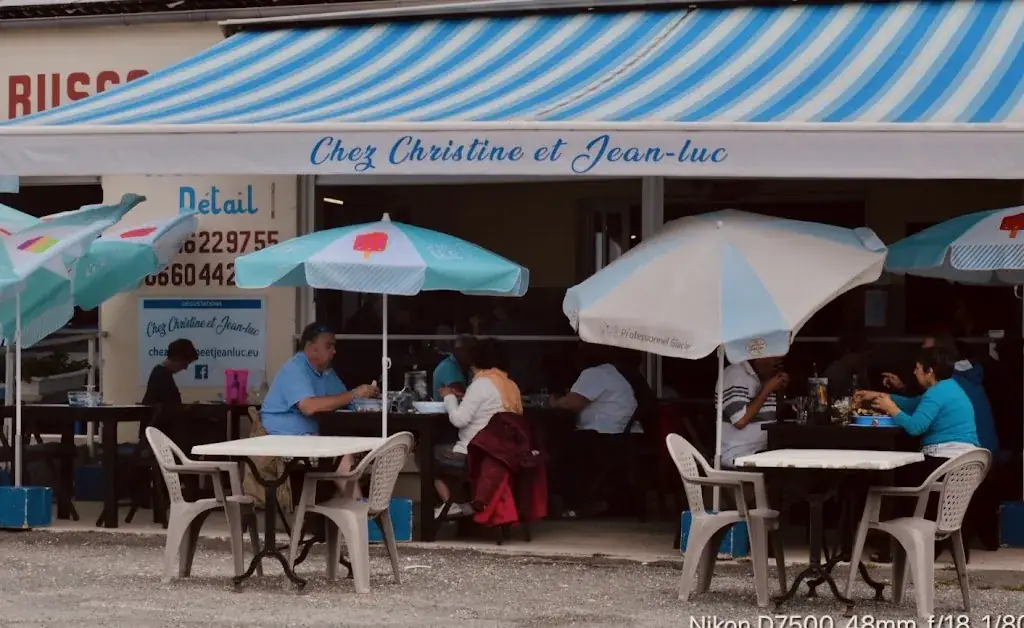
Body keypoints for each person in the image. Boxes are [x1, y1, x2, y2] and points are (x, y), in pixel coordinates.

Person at [262, 323, 379, 495]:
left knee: (369, 449)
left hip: (315, 437)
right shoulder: (295, 368)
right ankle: (358, 513)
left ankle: (345, 511)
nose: (334, 351)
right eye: (328, 346)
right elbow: (308, 407)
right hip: (286, 440)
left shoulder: (326, 372)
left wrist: (369, 397)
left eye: (334, 346)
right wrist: (354, 393)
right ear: (312, 347)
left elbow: (346, 400)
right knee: (342, 454)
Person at [434, 339, 522, 518]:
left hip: (477, 451)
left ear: (474, 361)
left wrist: (449, 397)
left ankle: (450, 503)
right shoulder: (510, 385)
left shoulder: (481, 384)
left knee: (427, 453)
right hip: (503, 453)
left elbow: (459, 420)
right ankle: (463, 504)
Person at [552, 344, 638, 518]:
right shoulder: (613, 374)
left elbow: (573, 403)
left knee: (557, 449)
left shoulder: (594, 374)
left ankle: (577, 505)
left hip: (601, 437)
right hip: (618, 437)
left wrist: (553, 402)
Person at [718, 356, 788, 469]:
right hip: (740, 453)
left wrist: (780, 392)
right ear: (759, 357)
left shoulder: (763, 378)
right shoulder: (735, 375)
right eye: (774, 362)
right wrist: (767, 389)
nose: (777, 363)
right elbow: (740, 420)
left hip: (763, 448)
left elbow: (773, 416)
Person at [142, 338, 198, 406]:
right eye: (185, 363)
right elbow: (169, 406)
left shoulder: (160, 373)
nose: (185, 368)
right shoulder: (162, 376)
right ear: (178, 358)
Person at [432, 335, 477, 401]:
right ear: (458, 350)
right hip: (445, 410)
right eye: (470, 350)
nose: (475, 354)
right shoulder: (448, 366)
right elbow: (459, 395)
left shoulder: (467, 366)